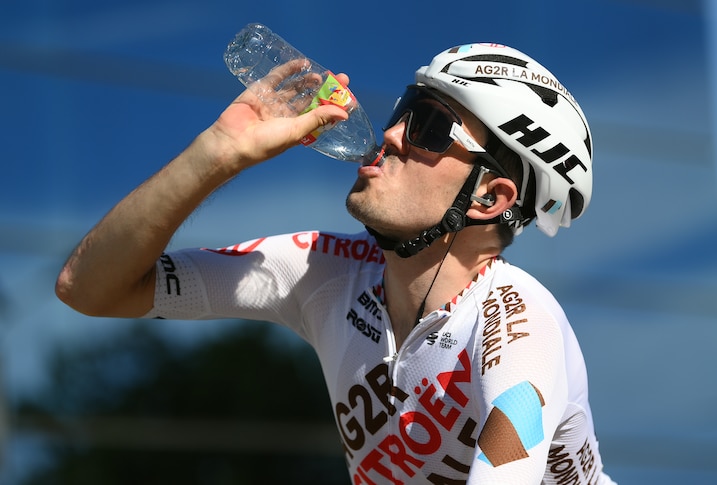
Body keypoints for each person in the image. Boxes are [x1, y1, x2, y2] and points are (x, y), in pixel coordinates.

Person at [56, 42, 615, 484]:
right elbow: (89, 288)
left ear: (489, 199)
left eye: (427, 127)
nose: (391, 134)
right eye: (403, 111)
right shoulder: (323, 270)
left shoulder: (522, 323)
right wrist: (217, 155)